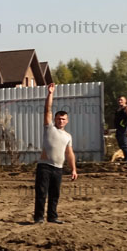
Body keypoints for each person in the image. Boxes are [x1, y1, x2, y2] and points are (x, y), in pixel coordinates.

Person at [33, 83, 77, 224]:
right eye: (58, 118)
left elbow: (69, 153)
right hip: (44, 166)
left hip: (58, 168)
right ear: (55, 119)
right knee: (41, 193)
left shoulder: (68, 136)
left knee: (54, 194)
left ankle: (52, 217)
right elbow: (47, 110)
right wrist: (50, 94)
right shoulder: (49, 128)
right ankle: (39, 217)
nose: (61, 120)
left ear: (67, 121)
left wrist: (74, 169)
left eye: (63, 119)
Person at [114, 95, 127, 164]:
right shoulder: (118, 109)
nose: (120, 101)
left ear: (125, 101)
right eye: (119, 100)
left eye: (121, 100)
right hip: (119, 129)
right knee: (121, 144)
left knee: (124, 144)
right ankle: (126, 158)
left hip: (125, 128)